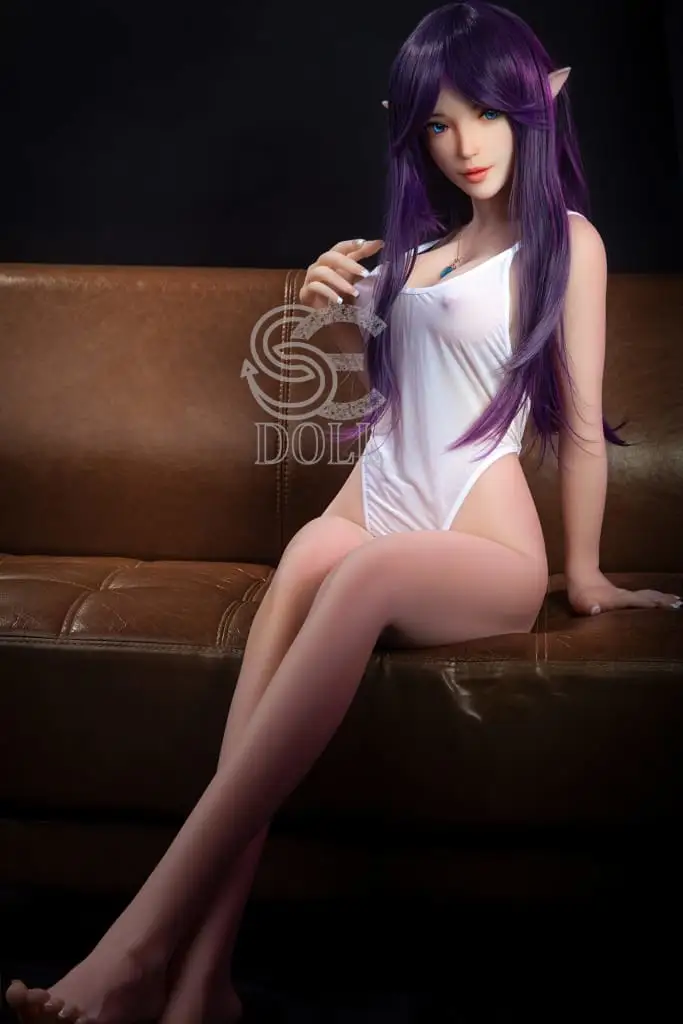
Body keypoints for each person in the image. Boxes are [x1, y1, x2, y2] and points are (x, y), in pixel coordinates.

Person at [6, 2, 681, 1022]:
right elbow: (393, 403)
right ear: (410, 130)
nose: (464, 145)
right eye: (437, 123)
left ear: (537, 105)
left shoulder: (565, 243)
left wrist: (582, 577)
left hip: (483, 540)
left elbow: (580, 426)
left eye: (487, 115)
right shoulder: (415, 258)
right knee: (310, 550)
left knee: (356, 569)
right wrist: (332, 295)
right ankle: (201, 984)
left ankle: (132, 951)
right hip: (379, 505)